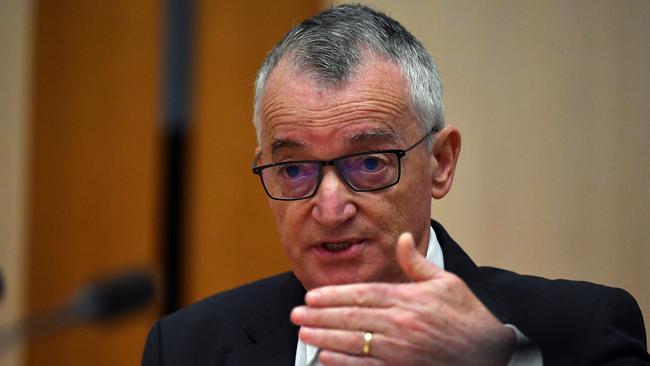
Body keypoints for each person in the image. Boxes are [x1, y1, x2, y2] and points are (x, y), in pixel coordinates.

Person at [142, 4, 649, 365]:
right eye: (294, 170)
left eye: (369, 163)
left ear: (441, 163)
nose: (330, 207)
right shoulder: (187, 346)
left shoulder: (581, 331)